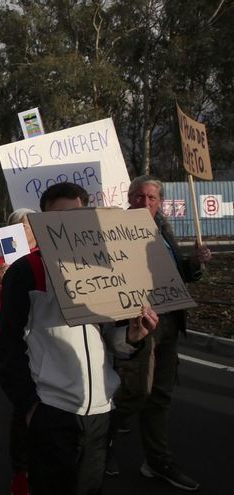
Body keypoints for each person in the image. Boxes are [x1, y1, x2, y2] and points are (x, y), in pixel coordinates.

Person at [0, 182, 159, 495]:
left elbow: (110, 339)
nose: (68, 225)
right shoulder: (27, 271)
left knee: (89, 488)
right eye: (58, 218)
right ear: (44, 222)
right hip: (53, 409)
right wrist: (30, 406)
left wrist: (132, 336)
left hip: (100, 410)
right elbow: (9, 347)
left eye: (76, 215)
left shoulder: (105, 266)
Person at [105, 176, 212, 491]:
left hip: (168, 325)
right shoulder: (114, 230)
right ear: (129, 198)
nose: (145, 202)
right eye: (139, 196)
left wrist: (194, 262)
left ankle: (156, 460)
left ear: (160, 202)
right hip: (138, 326)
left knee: (160, 396)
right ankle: (101, 443)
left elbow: (182, 275)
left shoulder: (164, 230)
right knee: (134, 392)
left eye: (151, 197)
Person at [0, 208, 37, 495]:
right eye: (19, 227)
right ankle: (21, 473)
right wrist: (2, 284)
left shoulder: (50, 258)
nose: (25, 232)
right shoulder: (3, 263)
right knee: (23, 409)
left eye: (29, 226)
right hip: (16, 347)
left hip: (48, 346)